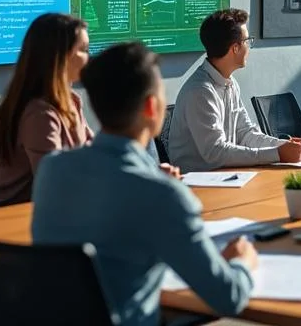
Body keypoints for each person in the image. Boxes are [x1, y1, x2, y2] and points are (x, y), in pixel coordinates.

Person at [32, 42, 257, 326]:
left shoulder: (53, 170)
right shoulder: (163, 195)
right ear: (152, 106)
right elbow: (229, 297)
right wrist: (242, 261)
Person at [169, 8, 301, 173]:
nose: (249, 46)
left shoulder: (230, 83)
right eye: (247, 40)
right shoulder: (200, 91)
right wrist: (277, 154)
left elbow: (245, 133)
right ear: (235, 48)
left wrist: (283, 146)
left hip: (226, 177)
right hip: (200, 185)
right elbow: (215, 152)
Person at [0, 13, 95, 205]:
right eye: (83, 49)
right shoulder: (39, 114)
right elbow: (55, 185)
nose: (88, 57)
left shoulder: (71, 101)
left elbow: (97, 155)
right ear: (60, 57)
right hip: (13, 223)